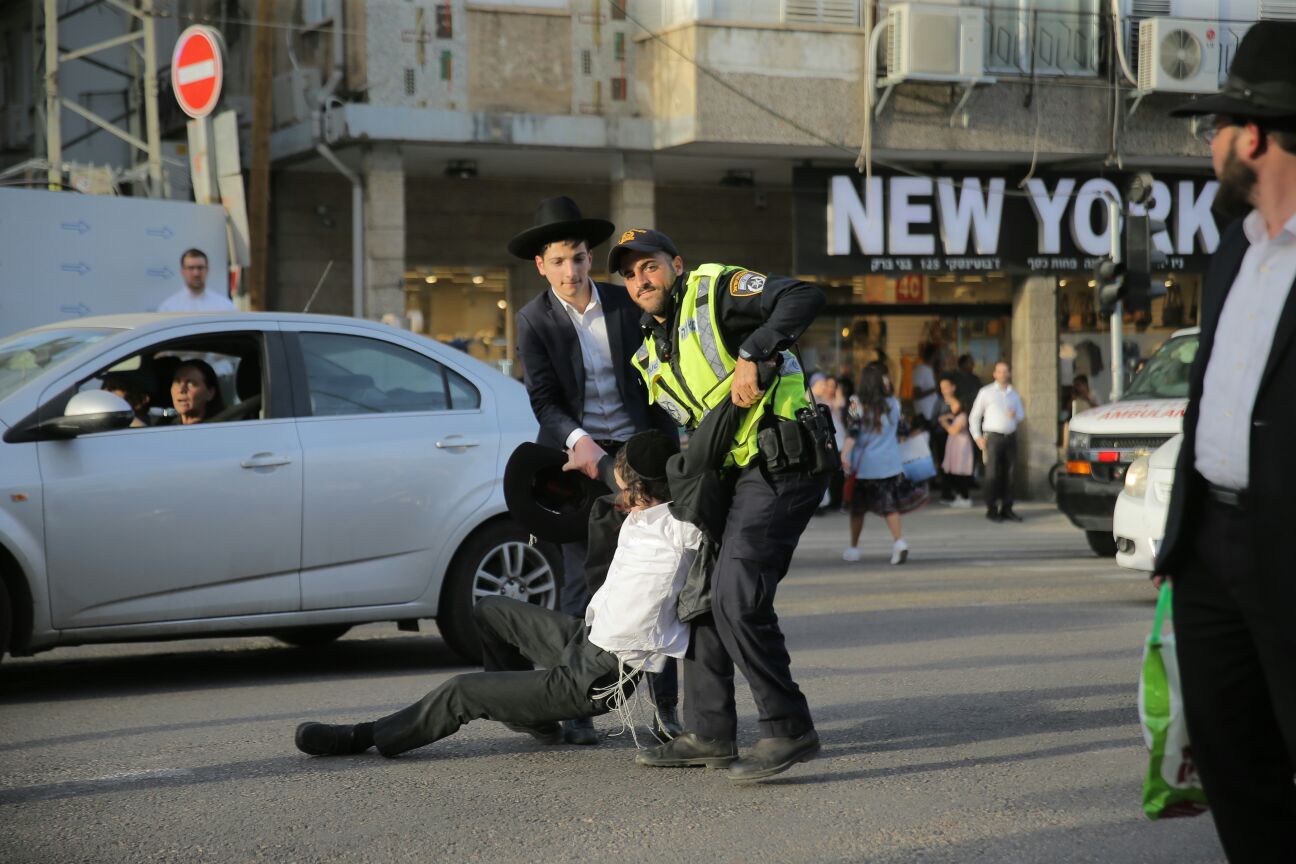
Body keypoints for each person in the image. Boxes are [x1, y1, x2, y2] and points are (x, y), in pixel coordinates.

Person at [293, 432, 700, 760]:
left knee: (462, 691)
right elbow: (610, 470)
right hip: (584, 637)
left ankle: (364, 737)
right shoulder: (641, 503)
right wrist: (581, 445)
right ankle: (534, 720)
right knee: (489, 609)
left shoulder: (685, 530)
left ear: (648, 489)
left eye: (627, 488)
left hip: (596, 678)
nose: (620, 495)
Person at [608, 227, 829, 782]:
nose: (641, 280)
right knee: (701, 596)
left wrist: (756, 352)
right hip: (731, 476)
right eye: (630, 274)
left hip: (783, 460)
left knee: (736, 597)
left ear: (675, 265)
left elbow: (804, 295)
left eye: (650, 266)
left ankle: (788, 727)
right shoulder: (648, 352)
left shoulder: (714, 290)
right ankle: (708, 732)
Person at [1155, 21, 1296, 862]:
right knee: (1235, 769)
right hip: (1211, 548)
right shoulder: (1232, 248)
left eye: (1216, 125)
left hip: (1290, 547)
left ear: (1253, 135)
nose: (1207, 143)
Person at [510, 196, 678, 745]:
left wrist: (663, 454)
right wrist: (581, 442)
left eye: (579, 258)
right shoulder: (533, 320)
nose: (571, 271)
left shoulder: (624, 302)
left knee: (660, 583)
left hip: (641, 454)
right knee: (581, 587)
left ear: (589, 257)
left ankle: (665, 713)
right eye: (559, 261)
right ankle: (576, 707)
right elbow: (543, 399)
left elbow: (659, 377)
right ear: (541, 265)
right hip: (578, 464)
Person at [840, 365, 918, 564]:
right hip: (889, 464)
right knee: (890, 506)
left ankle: (853, 548)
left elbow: (853, 432)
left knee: (857, 509)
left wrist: (845, 453)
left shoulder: (856, 403)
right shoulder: (893, 403)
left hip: (864, 465)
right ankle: (899, 542)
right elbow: (903, 430)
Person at [969, 360, 1024, 523]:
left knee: (1011, 473)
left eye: (1005, 371)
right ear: (994, 374)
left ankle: (1007, 508)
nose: (1002, 374)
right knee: (992, 473)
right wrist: (977, 436)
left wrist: (1014, 415)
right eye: (999, 371)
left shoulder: (1014, 394)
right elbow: (975, 416)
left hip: (1010, 436)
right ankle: (991, 508)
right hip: (993, 437)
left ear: (1010, 374)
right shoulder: (986, 392)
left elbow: (1021, 415)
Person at [810, 372, 846, 512]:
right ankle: (821, 504)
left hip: (831, 440)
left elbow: (840, 404)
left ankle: (829, 502)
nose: (825, 387)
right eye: (823, 384)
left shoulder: (819, 399)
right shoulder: (810, 398)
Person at [157, 249, 235, 312]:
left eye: (200, 268)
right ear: (182, 271)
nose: (196, 273)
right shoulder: (169, 308)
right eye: (191, 268)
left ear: (207, 270)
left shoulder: (225, 306)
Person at [937, 395, 974, 507]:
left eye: (954, 404)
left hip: (961, 448)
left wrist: (944, 423)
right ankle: (959, 495)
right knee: (955, 472)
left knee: (960, 472)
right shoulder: (956, 417)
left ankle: (964, 497)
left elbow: (954, 430)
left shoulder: (963, 416)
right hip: (955, 447)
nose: (952, 407)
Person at [167, 359, 224, 425]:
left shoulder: (221, 427)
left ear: (210, 393)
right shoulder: (163, 428)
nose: (181, 389)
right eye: (177, 382)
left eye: (191, 384)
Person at [910, 343, 940, 425]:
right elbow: (916, 393)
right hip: (925, 414)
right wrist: (935, 389)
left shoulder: (931, 370)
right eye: (938, 354)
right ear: (934, 355)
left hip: (932, 413)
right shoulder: (920, 369)